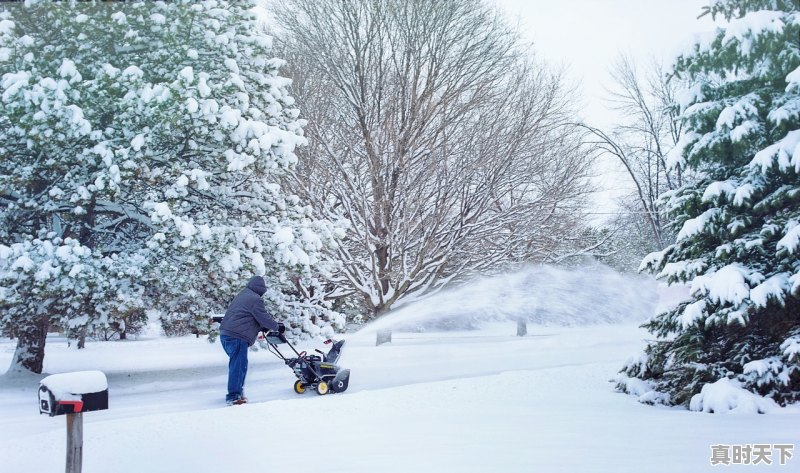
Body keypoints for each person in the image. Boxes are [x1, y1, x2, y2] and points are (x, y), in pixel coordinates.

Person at [219, 275, 285, 406]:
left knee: (238, 366)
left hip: (226, 334)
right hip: (236, 336)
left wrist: (262, 326)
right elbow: (263, 317)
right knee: (238, 367)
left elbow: (246, 317)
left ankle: (237, 393)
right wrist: (277, 326)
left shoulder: (243, 295)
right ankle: (233, 397)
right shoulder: (254, 299)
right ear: (260, 289)